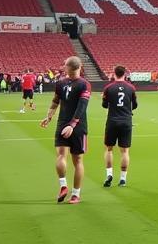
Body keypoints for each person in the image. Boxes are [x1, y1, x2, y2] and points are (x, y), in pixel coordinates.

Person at [41, 56, 91, 204]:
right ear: (80, 67)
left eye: (64, 65)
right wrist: (73, 124)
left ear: (68, 68)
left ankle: (63, 185)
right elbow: (82, 106)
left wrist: (48, 117)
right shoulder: (85, 84)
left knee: (61, 156)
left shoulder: (60, 83)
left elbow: (55, 102)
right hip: (78, 126)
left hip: (63, 124)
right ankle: (75, 195)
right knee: (78, 161)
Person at [102, 65, 137, 187]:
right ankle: (123, 179)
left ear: (114, 73)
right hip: (126, 121)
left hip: (112, 121)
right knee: (125, 151)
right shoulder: (131, 88)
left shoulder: (108, 88)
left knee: (109, 149)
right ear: (125, 74)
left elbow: (105, 105)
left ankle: (109, 174)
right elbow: (135, 105)